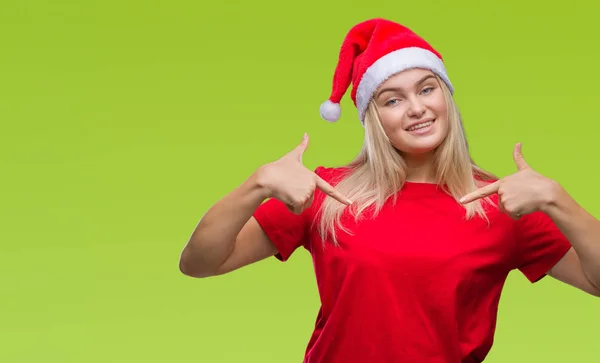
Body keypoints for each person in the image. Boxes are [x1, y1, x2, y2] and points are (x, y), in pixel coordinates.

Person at [179, 18, 600, 363]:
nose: (416, 108)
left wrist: (557, 199)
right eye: (392, 100)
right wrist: (258, 183)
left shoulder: (502, 203)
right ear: (372, 118)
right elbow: (199, 263)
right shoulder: (327, 193)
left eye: (426, 89)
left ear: (446, 97)